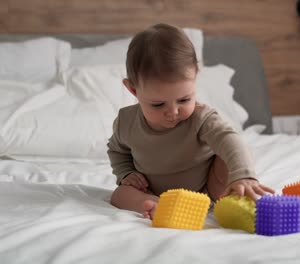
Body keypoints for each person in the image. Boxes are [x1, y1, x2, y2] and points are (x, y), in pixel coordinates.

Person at [108, 23, 275, 219]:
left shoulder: (201, 118)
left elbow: (230, 140)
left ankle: (235, 194)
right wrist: (126, 173)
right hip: (152, 191)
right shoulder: (126, 122)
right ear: (133, 90)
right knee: (120, 194)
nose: (173, 112)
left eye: (184, 100)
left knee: (226, 154)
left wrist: (243, 175)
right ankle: (155, 206)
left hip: (206, 191)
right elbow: (117, 151)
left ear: (195, 75)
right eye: (158, 104)